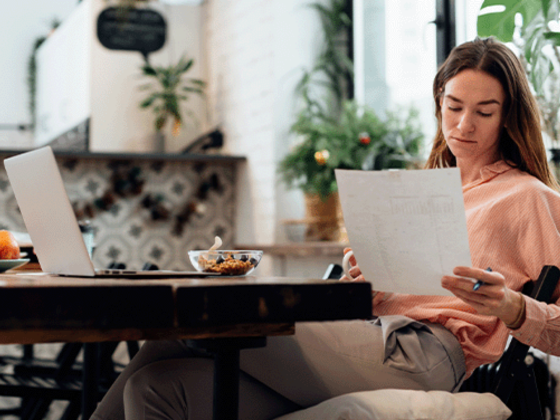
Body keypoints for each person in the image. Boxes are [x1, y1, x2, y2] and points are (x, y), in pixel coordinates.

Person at [91, 36, 560, 420]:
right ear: (439, 102)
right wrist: (366, 282)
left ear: (508, 115)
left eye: (484, 111)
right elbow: (390, 290)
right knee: (157, 388)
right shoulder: (420, 191)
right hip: (362, 338)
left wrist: (512, 306)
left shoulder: (528, 198)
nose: (463, 124)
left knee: (193, 316)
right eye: (454, 106)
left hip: (423, 354)